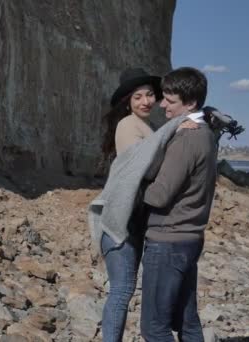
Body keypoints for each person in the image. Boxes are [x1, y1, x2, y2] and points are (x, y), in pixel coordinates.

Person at [98, 67, 196, 342]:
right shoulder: (129, 124)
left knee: (124, 290)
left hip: (133, 223)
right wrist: (176, 126)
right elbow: (144, 166)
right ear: (128, 101)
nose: (145, 102)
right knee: (121, 291)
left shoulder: (147, 127)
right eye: (138, 96)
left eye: (150, 95)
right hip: (121, 225)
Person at [140, 67, 217, 341]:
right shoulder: (206, 133)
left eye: (170, 101)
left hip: (168, 240)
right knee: (188, 322)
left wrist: (132, 185)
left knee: (154, 327)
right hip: (189, 238)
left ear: (191, 103)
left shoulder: (187, 138)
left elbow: (160, 195)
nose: (162, 105)